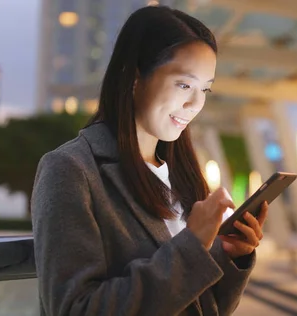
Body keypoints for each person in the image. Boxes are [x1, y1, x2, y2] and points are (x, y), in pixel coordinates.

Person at [31, 5, 268, 316]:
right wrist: (192, 246)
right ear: (134, 78)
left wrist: (231, 256)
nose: (195, 103)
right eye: (184, 84)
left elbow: (201, 306)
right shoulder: (70, 170)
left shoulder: (181, 176)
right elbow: (76, 308)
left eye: (205, 89)